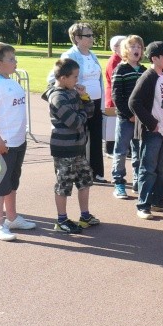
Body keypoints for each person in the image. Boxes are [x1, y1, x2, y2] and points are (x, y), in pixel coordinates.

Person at [0, 43, 35, 241]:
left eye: (15, 58)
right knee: (0, 184)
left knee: (12, 181)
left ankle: (12, 218)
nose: (15, 62)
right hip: (2, 144)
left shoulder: (13, 81)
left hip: (18, 141)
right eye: (11, 59)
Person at [43, 58, 100, 234]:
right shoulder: (57, 96)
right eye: (75, 76)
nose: (77, 80)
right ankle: (61, 220)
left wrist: (84, 97)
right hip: (64, 148)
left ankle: (84, 215)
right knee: (64, 184)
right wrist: (82, 113)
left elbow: (90, 112)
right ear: (63, 77)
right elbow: (74, 121)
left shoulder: (73, 92)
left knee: (84, 180)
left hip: (78, 147)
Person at [128, 42, 163, 220]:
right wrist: (152, 124)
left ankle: (157, 201)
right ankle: (143, 205)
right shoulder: (148, 77)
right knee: (148, 169)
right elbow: (134, 102)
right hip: (152, 132)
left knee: (159, 169)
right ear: (154, 58)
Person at [58, 22, 106, 183]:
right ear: (77, 38)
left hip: (96, 102)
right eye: (88, 35)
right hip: (79, 103)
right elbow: (56, 78)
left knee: (96, 136)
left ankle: (97, 172)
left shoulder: (92, 55)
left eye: (92, 35)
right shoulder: (69, 56)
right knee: (81, 137)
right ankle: (81, 172)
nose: (92, 38)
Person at [111, 35, 146, 199]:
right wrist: (129, 114)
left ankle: (138, 181)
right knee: (121, 151)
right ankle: (118, 182)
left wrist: (141, 115)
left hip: (141, 120)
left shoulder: (145, 70)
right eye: (132, 47)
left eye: (139, 46)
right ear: (125, 50)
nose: (136, 50)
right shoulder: (121, 69)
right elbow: (117, 96)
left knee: (139, 151)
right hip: (126, 119)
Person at [104, 35, 126, 157]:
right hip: (113, 94)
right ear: (116, 47)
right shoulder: (114, 60)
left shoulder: (120, 59)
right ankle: (109, 148)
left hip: (117, 93)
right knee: (112, 121)